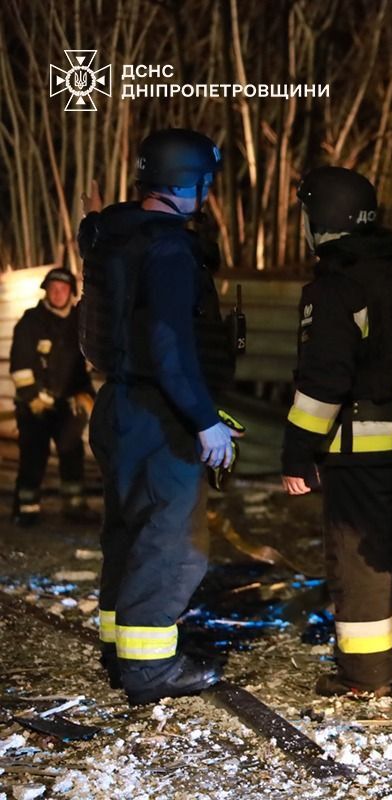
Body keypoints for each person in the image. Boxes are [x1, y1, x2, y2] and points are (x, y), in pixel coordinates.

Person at [78, 128, 238, 704]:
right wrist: (205, 420)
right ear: (185, 181)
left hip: (117, 405)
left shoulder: (112, 238)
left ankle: (119, 655)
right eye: (205, 181)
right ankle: (149, 672)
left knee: (126, 531)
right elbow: (173, 349)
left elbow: (91, 235)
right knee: (171, 541)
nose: (209, 192)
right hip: (160, 412)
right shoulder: (169, 248)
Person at [281, 166, 392, 698]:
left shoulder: (336, 284)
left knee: (357, 560)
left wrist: (298, 451)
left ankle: (367, 674)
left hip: (358, 446)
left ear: (321, 217)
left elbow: (324, 380)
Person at [9, 268, 97, 526]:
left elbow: (85, 365)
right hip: (34, 404)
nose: (58, 293)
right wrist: (32, 398)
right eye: (54, 288)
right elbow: (20, 366)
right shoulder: (31, 321)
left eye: (64, 288)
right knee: (33, 456)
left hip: (68, 403)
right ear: (46, 290)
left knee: (72, 454)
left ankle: (74, 507)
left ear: (71, 292)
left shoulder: (79, 323)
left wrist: (85, 395)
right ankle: (26, 509)